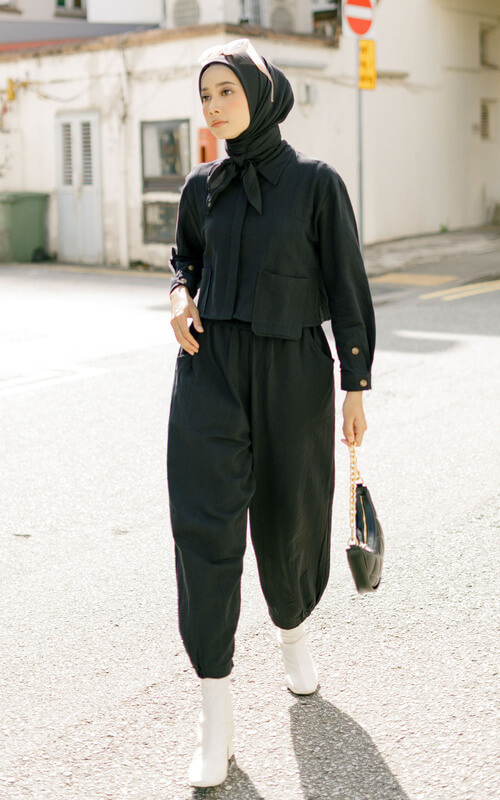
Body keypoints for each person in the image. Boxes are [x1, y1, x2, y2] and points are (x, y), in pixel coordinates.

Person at [167, 38, 375, 788]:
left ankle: (293, 632)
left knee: (289, 518)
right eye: (206, 95)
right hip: (210, 370)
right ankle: (215, 714)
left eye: (226, 90)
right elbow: (185, 259)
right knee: (204, 529)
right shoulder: (201, 186)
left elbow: (347, 286)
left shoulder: (317, 184)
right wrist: (179, 296)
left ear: (261, 94)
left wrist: (354, 386)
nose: (214, 106)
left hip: (292, 371)